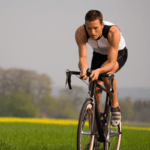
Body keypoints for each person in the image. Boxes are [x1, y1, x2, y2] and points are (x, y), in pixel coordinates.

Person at [75, 10, 128, 127]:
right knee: (93, 88)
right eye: (89, 28)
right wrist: (83, 69)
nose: (92, 32)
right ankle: (93, 133)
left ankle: (115, 106)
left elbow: (110, 62)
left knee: (106, 74)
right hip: (99, 54)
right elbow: (83, 59)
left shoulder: (113, 32)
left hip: (117, 54)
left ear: (102, 25)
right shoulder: (80, 32)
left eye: (95, 28)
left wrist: (99, 71)